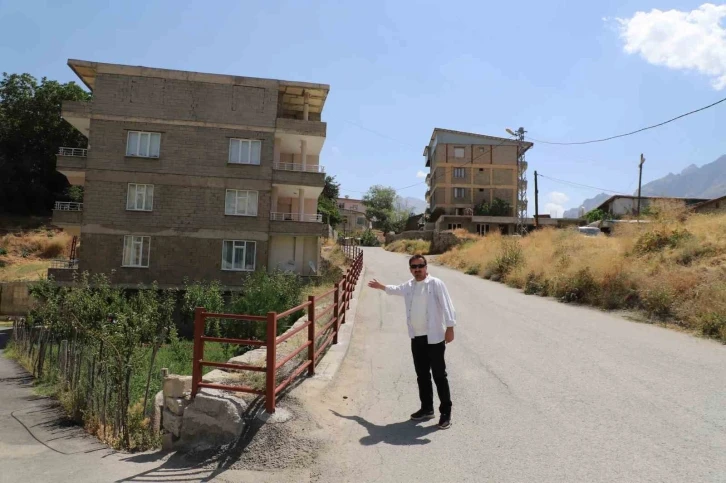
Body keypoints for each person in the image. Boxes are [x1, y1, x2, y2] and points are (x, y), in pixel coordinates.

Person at [367, 254, 456, 429]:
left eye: (420, 266)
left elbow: (447, 305)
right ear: (410, 269)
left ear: (426, 267)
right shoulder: (409, 286)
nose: (417, 269)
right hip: (417, 338)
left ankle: (445, 413)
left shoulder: (436, 284)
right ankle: (427, 408)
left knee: (439, 376)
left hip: (435, 338)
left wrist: (450, 327)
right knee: (422, 375)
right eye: (414, 267)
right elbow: (396, 289)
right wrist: (381, 286)